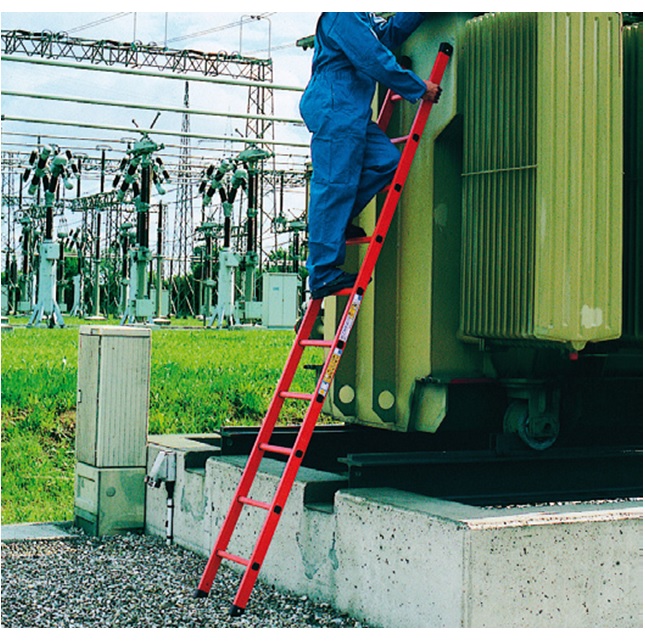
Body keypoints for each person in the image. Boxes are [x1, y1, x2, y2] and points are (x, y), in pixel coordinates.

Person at [300, 12, 442, 300]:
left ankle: (333, 223)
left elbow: (386, 35)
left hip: (352, 112)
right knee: (334, 184)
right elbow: (372, 57)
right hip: (335, 106)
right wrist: (417, 87)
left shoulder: (361, 15)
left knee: (386, 162)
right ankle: (323, 273)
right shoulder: (341, 13)